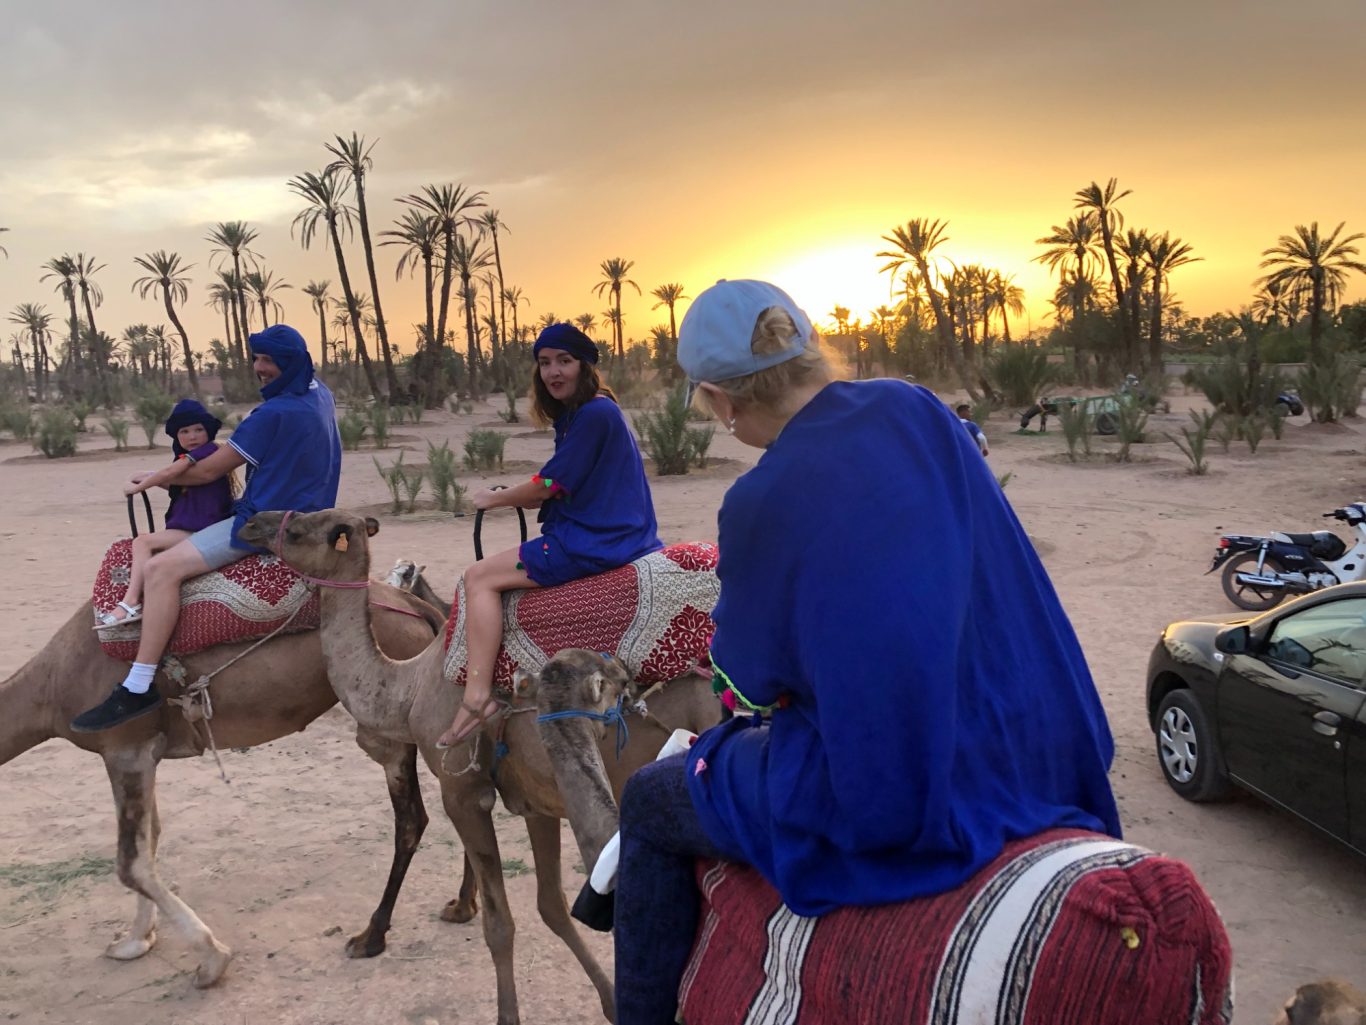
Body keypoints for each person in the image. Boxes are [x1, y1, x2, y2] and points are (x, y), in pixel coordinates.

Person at [612, 280, 1120, 1025]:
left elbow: (752, 677)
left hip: (900, 788)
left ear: (721, 399)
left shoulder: (761, 498)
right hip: (1038, 742)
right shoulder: (917, 408)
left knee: (649, 801)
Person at [72, 324, 342, 733]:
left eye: (268, 360)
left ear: (288, 363)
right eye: (257, 359)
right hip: (311, 515)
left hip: (267, 525)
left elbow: (208, 471)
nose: (259, 368)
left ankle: (138, 684)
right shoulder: (319, 394)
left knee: (162, 570)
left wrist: (152, 479)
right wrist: (166, 472)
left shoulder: (271, 414)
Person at [434, 322, 662, 749]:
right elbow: (555, 482)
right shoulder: (589, 412)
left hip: (594, 540)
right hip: (610, 532)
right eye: (544, 363)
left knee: (478, 577)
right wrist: (519, 493)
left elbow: (547, 488)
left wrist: (492, 500)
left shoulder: (595, 414)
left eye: (564, 361)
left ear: (585, 365)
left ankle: (477, 696)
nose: (553, 372)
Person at [94, 399, 237, 628]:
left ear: (207, 431)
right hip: (191, 525)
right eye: (185, 431)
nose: (193, 436)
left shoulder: (207, 451)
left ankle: (130, 603)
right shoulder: (192, 458)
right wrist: (147, 476)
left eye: (199, 429)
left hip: (200, 527)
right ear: (177, 436)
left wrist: (140, 486)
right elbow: (178, 484)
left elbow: (172, 473)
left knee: (142, 542)